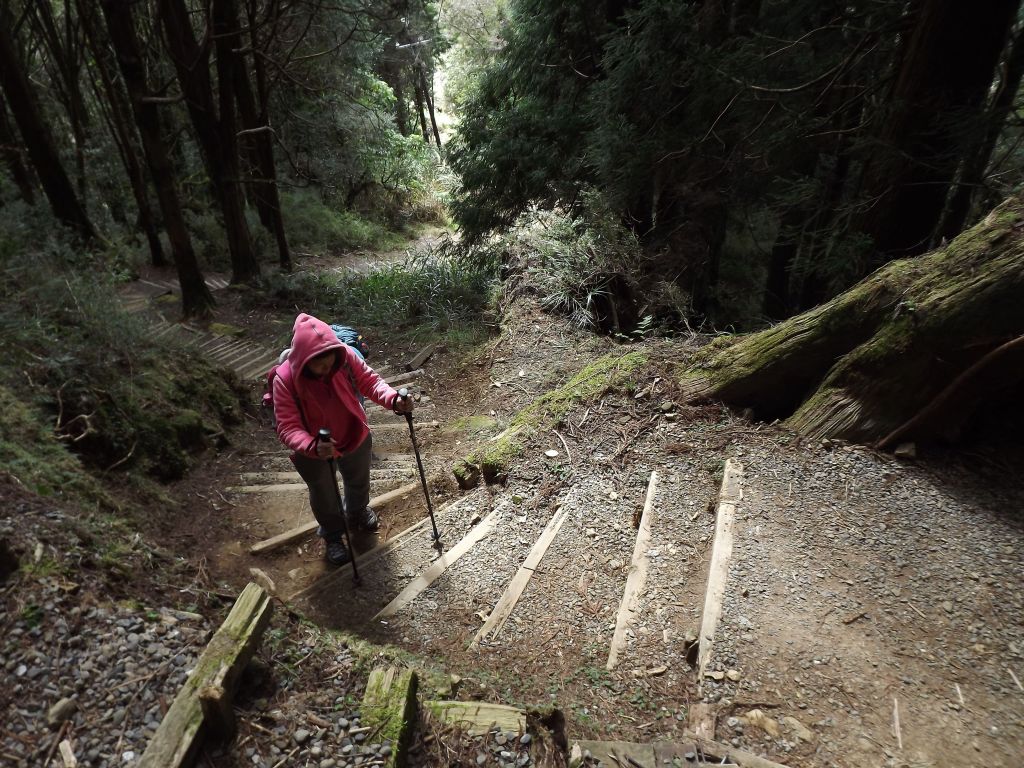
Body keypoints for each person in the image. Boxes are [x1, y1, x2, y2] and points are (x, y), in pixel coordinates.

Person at [272, 313, 413, 565]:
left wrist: (393, 400)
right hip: (313, 451)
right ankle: (333, 535)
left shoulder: (344, 357)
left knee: (358, 480)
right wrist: (312, 446)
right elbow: (287, 426)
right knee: (324, 493)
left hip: (353, 433)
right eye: (321, 366)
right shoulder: (285, 379)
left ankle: (357, 512)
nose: (328, 370)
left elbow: (370, 382)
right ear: (305, 361)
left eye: (330, 363)